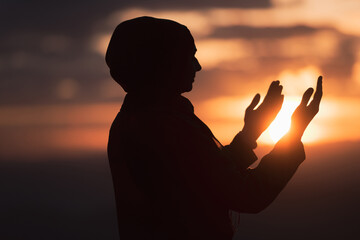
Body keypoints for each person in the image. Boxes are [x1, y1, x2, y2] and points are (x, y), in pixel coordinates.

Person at [106, 16, 322, 240]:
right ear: (164, 62)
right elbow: (245, 195)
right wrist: (294, 134)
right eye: (189, 56)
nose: (198, 66)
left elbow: (205, 177)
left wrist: (250, 133)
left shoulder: (134, 120)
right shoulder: (166, 127)